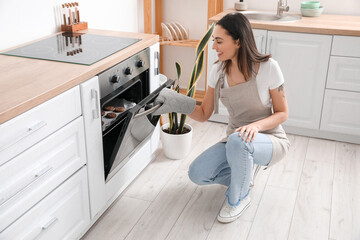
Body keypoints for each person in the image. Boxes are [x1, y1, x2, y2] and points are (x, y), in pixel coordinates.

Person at [153, 12, 290, 223]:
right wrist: (176, 101)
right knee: (196, 173)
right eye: (213, 41)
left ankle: (239, 198)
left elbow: (283, 113)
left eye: (219, 41)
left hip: (270, 139)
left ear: (238, 41)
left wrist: (254, 127)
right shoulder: (217, 70)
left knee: (239, 140)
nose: (214, 47)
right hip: (235, 139)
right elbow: (204, 113)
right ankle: (244, 177)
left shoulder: (269, 68)